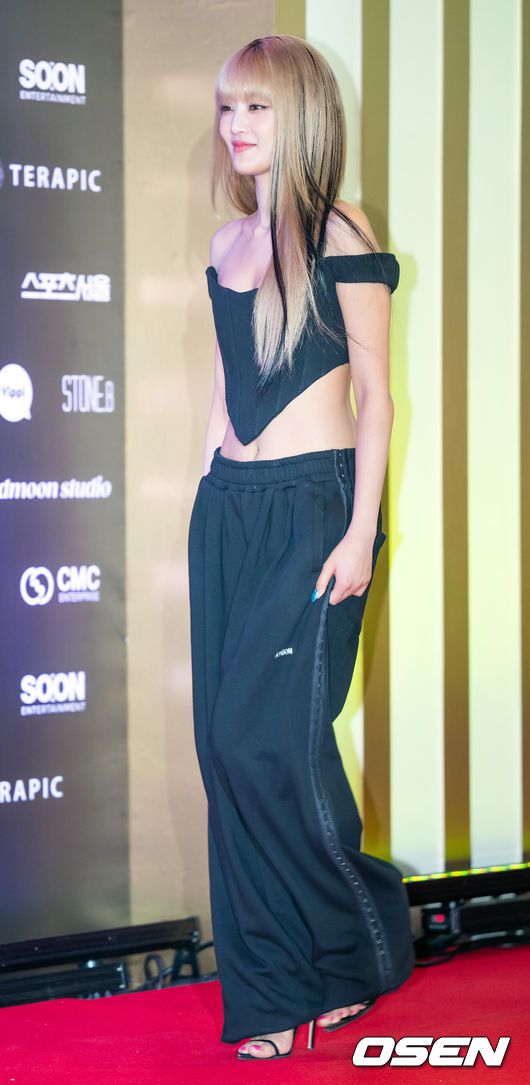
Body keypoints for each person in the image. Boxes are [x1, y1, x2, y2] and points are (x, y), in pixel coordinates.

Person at [187, 33, 415, 1061]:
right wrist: (205, 489)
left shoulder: (338, 231)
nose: (235, 126)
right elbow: (225, 387)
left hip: (313, 513)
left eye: (258, 107)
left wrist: (361, 530)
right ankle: (272, 987)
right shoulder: (227, 244)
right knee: (223, 752)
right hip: (229, 513)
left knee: (265, 742)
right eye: (228, 107)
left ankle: (355, 944)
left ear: (304, 115)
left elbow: (376, 398)